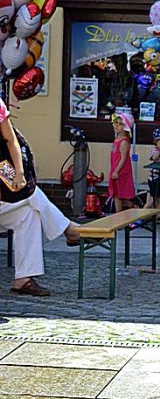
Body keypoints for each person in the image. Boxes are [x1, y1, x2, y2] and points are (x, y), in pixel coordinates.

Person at [0, 99, 80, 295]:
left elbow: (11, 140)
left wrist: (19, 172)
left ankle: (23, 279)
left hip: (2, 169)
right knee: (28, 201)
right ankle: (68, 228)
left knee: (27, 213)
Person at [109, 112, 135, 212]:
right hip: (115, 169)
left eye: (120, 124)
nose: (117, 125)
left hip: (121, 171)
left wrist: (116, 171)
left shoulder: (124, 141)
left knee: (122, 194)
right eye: (116, 123)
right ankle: (118, 215)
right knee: (116, 194)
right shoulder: (117, 139)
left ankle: (134, 209)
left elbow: (123, 158)